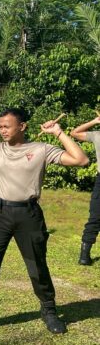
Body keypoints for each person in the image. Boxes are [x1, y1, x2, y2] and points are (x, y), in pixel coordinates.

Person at [0, 108, 89, 335]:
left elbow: (81, 159)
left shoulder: (41, 149)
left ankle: (49, 311)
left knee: (37, 266)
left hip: (29, 215)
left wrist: (58, 133)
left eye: (7, 126)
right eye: (0, 127)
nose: (2, 130)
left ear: (22, 127)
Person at [70, 113, 100, 265]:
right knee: (95, 218)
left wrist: (94, 121)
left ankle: (84, 256)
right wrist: (95, 120)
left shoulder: (97, 135)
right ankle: (84, 256)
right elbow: (74, 133)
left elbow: (74, 133)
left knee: (95, 218)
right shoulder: (97, 135)